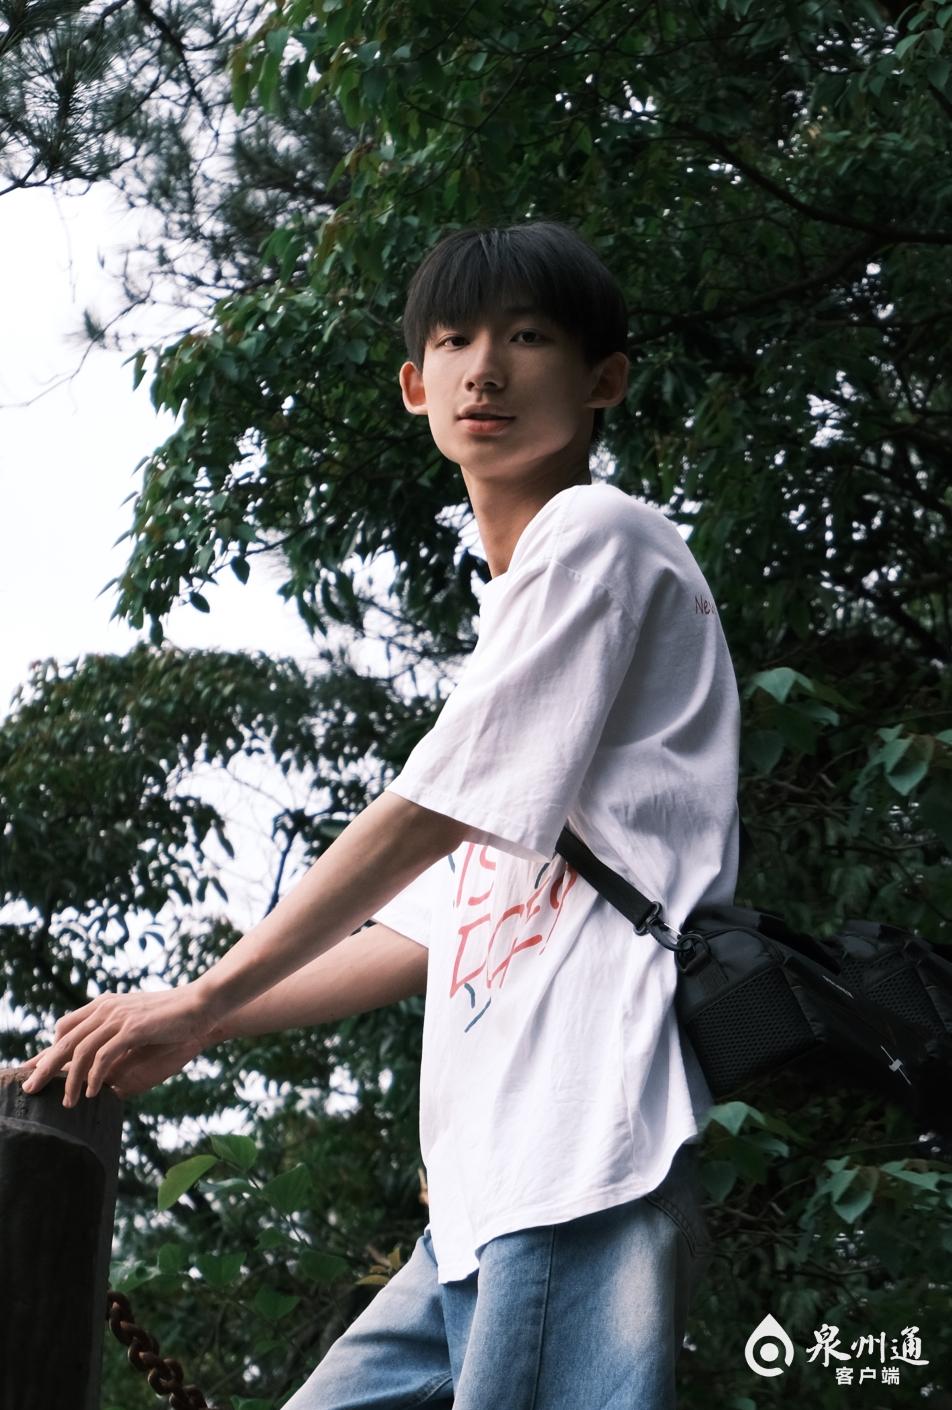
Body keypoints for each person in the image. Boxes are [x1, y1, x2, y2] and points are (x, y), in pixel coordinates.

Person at [21, 220, 740, 1408]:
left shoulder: (596, 537)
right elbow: (415, 930)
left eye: (527, 338)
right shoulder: (521, 608)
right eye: (453, 341)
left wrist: (200, 995)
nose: (484, 370)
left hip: (575, 1146)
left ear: (603, 379)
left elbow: (425, 810)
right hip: (481, 1191)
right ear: (414, 385)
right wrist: (194, 1030)